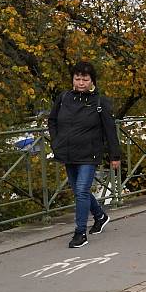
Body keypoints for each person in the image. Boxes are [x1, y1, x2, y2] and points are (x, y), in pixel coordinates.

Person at [48, 61, 122, 248]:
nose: (81, 83)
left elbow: (110, 129)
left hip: (89, 153)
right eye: (77, 78)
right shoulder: (64, 97)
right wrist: (55, 141)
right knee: (79, 191)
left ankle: (80, 232)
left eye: (85, 79)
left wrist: (115, 155)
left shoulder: (99, 101)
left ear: (92, 81)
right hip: (67, 151)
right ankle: (100, 215)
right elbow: (53, 120)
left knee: (81, 191)